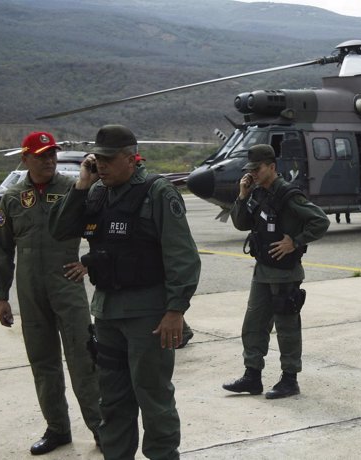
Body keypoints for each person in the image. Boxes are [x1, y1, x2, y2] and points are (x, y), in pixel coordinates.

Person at [49, 124, 201, 459]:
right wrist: (81, 185)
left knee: (152, 394)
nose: (100, 165)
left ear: (131, 159)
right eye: (97, 159)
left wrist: (176, 310)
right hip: (106, 312)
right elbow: (59, 230)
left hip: (148, 313)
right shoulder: (97, 192)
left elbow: (182, 256)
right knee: (113, 399)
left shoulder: (156, 192)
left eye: (108, 159)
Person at [0, 131, 101, 455]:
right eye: (41, 155)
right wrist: (1, 296)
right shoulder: (12, 197)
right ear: (25, 158)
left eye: (52, 154)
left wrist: (89, 262)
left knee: (84, 360)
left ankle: (101, 428)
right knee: (43, 362)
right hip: (30, 290)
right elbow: (1, 251)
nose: (49, 160)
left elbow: (102, 228)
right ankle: (57, 429)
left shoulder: (75, 188)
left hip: (66, 285)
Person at [223, 144, 329, 399]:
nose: (253, 174)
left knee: (287, 327)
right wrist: (242, 195)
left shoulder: (288, 195)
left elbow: (320, 221)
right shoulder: (257, 193)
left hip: (285, 273)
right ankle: (252, 376)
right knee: (253, 324)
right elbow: (240, 223)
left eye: (257, 169)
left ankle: (289, 379)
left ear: (272, 167)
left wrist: (296, 240)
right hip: (262, 272)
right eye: (250, 170)